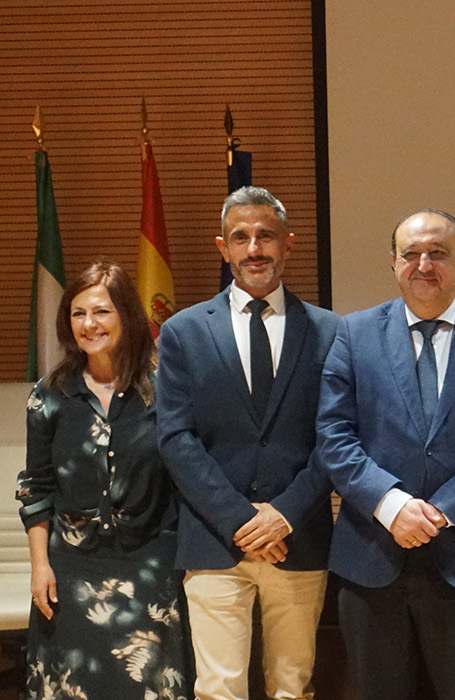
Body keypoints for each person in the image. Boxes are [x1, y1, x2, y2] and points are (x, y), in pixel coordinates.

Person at [316, 209, 455, 700]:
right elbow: (333, 433)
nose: (423, 265)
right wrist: (392, 505)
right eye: (410, 254)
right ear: (393, 263)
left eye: (437, 253)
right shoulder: (354, 334)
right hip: (371, 557)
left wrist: (442, 511)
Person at [156, 186, 338, 700]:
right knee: (218, 689)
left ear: (288, 244)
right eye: (241, 237)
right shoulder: (182, 332)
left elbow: (337, 438)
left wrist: (283, 514)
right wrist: (241, 520)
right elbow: (176, 438)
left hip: (298, 538)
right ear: (223, 247)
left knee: (291, 687)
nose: (254, 248)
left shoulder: (330, 332)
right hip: (214, 540)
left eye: (266, 236)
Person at [19, 261, 193, 699]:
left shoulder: (166, 386)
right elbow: (36, 487)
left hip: (151, 563)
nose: (89, 324)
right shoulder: (49, 395)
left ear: (127, 316)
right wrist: (40, 567)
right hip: (70, 569)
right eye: (78, 314)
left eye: (101, 311)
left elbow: (187, 474)